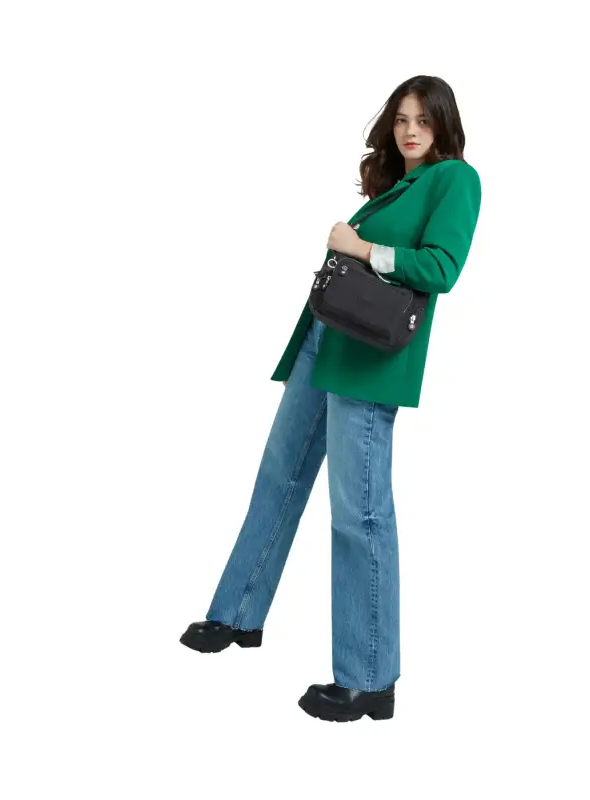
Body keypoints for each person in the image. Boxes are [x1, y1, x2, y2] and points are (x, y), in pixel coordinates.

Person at [179, 75, 482, 723]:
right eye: (401, 119)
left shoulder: (456, 179)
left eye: (423, 120)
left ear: (443, 125)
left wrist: (361, 246)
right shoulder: (397, 184)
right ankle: (237, 614)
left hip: (369, 361)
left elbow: (442, 268)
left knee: (359, 513)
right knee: (278, 477)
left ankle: (369, 680)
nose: (410, 131)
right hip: (325, 339)